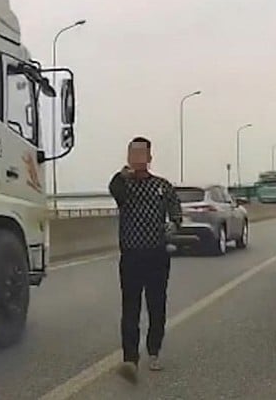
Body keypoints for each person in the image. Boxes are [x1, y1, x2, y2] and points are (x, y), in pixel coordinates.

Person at [108, 136, 182, 383]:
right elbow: (114, 190)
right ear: (128, 157)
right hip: (130, 255)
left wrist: (174, 224)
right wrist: (124, 173)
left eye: (142, 155)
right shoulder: (123, 185)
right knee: (130, 307)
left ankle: (154, 351)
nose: (138, 159)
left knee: (156, 305)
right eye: (133, 154)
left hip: (157, 255)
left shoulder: (163, 186)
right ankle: (130, 357)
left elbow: (176, 212)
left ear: (150, 158)